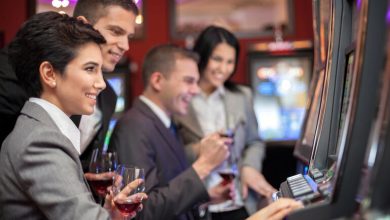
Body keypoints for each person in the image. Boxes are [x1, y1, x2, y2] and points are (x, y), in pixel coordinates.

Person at [0, 11, 146, 220]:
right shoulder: (41, 142)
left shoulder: (41, 131)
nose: (102, 83)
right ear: (49, 74)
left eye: (100, 71)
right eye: (90, 69)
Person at [0, 0, 139, 173]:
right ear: (83, 24)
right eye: (116, 31)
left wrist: (86, 178)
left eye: (129, 37)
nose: (125, 46)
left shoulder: (108, 96)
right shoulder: (15, 72)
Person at [109, 44, 234, 220]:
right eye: (189, 81)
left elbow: (167, 189)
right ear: (157, 81)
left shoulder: (167, 122)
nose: (196, 90)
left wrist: (206, 196)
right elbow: (143, 210)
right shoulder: (133, 127)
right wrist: (204, 165)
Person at [174, 25, 276, 219]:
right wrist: (200, 149)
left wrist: (249, 167)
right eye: (217, 59)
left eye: (230, 62)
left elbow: (254, 142)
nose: (223, 69)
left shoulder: (242, 96)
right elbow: (171, 155)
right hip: (199, 206)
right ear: (202, 56)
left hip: (241, 202)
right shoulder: (180, 100)